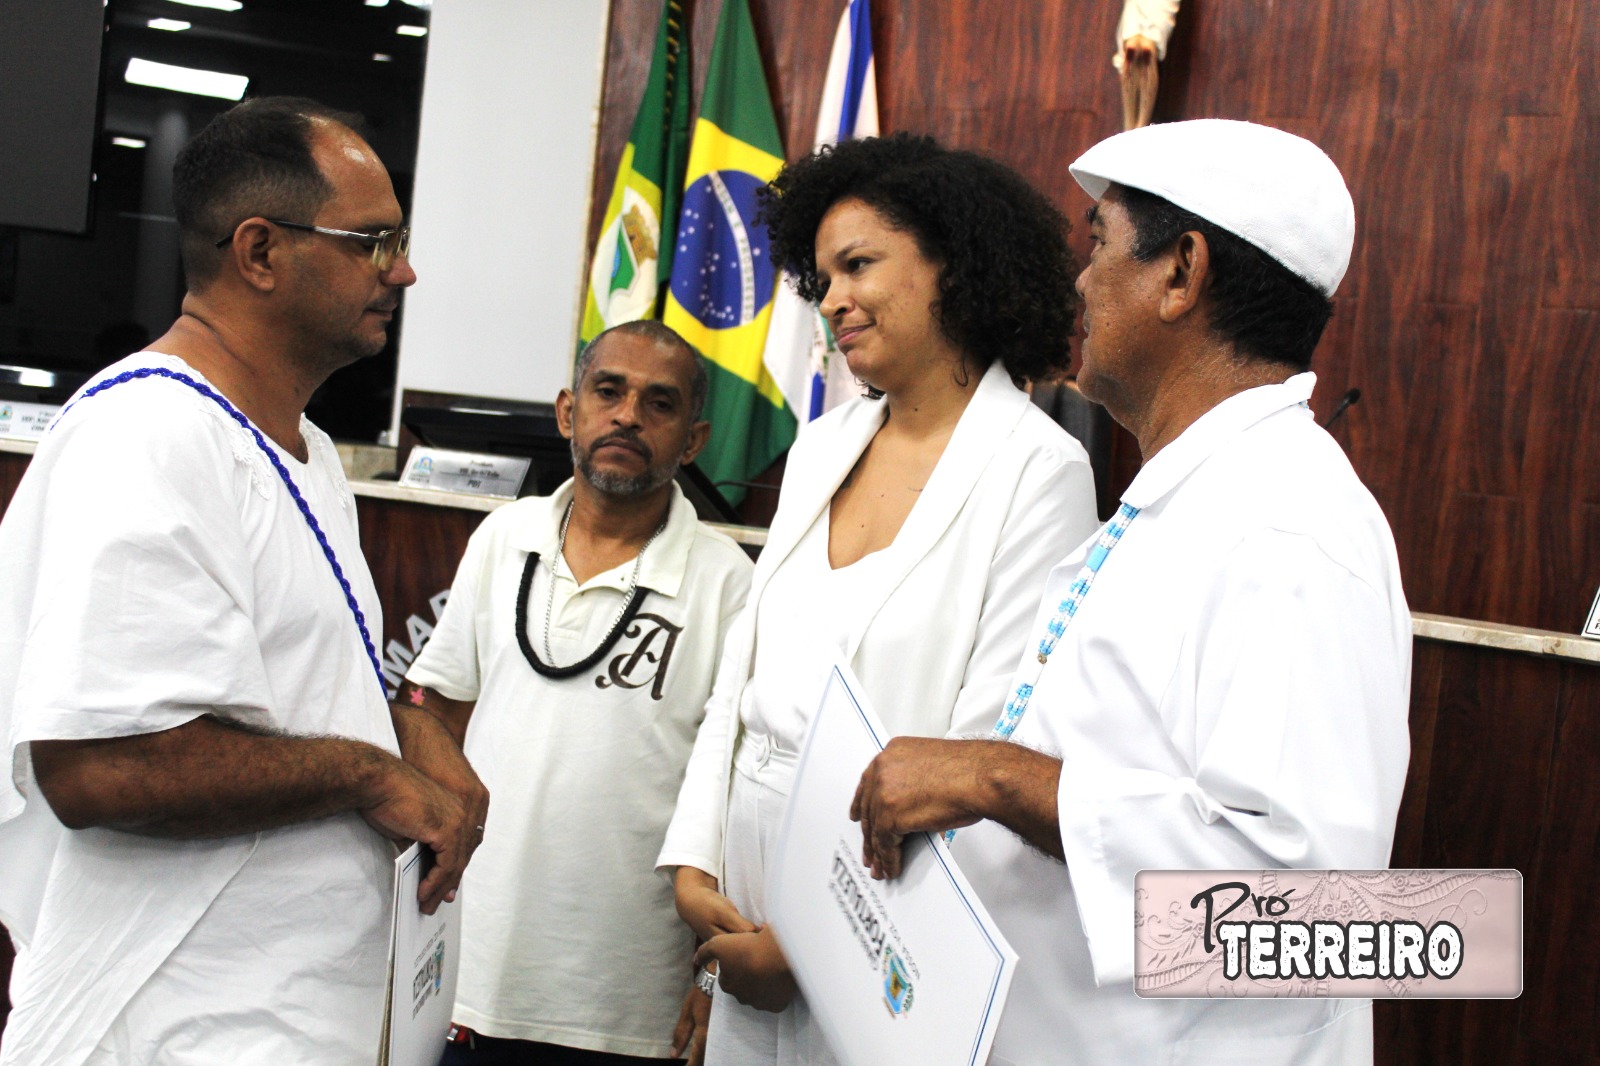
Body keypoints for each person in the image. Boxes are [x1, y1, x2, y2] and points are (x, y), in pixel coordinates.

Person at [850, 119, 1412, 1065]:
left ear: (1181, 273)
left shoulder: (1289, 528)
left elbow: (1309, 916)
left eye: (1099, 242)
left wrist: (994, 779)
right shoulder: (1192, 499)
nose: (1080, 280)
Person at [0, 97, 486, 1066]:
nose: (402, 270)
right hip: (170, 1024)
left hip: (271, 1016)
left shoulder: (303, 451)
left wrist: (403, 729)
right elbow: (98, 766)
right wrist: (368, 770)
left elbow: (281, 690)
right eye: (373, 241)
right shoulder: (149, 433)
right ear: (259, 251)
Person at [658, 133, 1100, 1066]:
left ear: (955, 268)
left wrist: (809, 947)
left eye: (858, 266)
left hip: (880, 894)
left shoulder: (1040, 470)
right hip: (743, 880)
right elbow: (741, 675)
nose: (832, 301)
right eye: (822, 278)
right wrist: (695, 865)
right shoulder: (823, 444)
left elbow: (986, 750)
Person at [400, 321, 754, 1066]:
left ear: (693, 441)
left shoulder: (728, 581)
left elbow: (737, 794)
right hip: (473, 969)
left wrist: (714, 970)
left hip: (627, 1001)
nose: (628, 416)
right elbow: (435, 710)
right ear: (568, 412)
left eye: (659, 404)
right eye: (608, 392)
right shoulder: (504, 536)